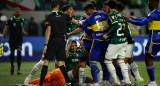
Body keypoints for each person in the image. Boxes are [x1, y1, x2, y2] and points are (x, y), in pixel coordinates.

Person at [39, 0, 81, 86]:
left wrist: (46, 45)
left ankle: (40, 84)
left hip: (53, 40)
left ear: (50, 7)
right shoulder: (65, 15)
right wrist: (81, 22)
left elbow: (48, 30)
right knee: (60, 62)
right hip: (62, 41)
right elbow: (77, 23)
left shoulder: (49, 16)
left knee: (46, 62)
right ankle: (68, 82)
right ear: (58, 6)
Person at [28, 39, 93, 86]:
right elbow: (65, 57)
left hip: (77, 75)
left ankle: (77, 83)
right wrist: (68, 46)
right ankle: (80, 83)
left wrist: (82, 45)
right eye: (72, 46)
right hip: (69, 74)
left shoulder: (78, 51)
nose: (74, 47)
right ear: (69, 46)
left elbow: (87, 56)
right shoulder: (69, 52)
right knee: (82, 64)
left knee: (91, 81)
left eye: (75, 45)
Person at [124, 0, 160, 85]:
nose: (147, 3)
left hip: (154, 39)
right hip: (158, 38)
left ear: (153, 2)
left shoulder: (153, 13)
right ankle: (152, 81)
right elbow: (145, 19)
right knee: (149, 58)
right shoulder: (157, 12)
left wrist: (129, 20)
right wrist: (134, 18)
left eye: (148, 1)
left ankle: (152, 82)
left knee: (148, 58)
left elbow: (141, 23)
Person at [80, 3, 110, 86]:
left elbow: (83, 27)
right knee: (105, 62)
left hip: (97, 41)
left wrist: (92, 33)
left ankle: (96, 83)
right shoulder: (104, 15)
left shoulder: (90, 18)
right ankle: (106, 81)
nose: (87, 13)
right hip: (107, 41)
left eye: (87, 11)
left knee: (92, 62)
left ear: (89, 10)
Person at [102, 0, 131, 85]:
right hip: (123, 40)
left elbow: (116, 25)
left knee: (107, 61)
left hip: (116, 41)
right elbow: (123, 26)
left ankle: (115, 81)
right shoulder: (120, 14)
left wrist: (107, 34)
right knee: (121, 61)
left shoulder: (112, 14)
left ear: (108, 6)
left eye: (106, 6)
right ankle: (128, 81)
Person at [117, 2, 144, 86]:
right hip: (130, 39)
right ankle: (138, 78)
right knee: (130, 60)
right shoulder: (125, 15)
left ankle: (128, 80)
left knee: (123, 61)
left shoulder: (119, 17)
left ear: (116, 9)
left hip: (127, 41)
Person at [2, 7, 27, 75]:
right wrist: (4, 37)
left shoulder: (22, 20)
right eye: (16, 11)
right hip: (12, 39)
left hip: (19, 39)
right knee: (12, 53)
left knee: (19, 52)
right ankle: (12, 66)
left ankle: (18, 69)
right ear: (14, 12)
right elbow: (5, 29)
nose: (17, 12)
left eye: (19, 11)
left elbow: (21, 28)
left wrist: (24, 32)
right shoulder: (10, 20)